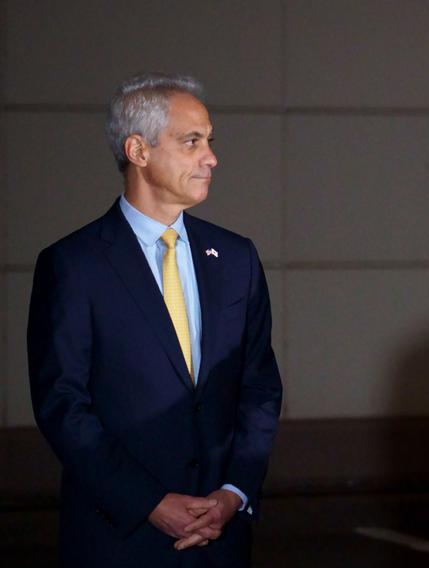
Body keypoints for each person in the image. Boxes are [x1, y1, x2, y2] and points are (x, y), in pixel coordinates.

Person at [27, 73, 283, 567]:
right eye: (192, 141)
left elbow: (260, 387)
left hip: (221, 537)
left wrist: (234, 491)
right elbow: (62, 404)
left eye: (210, 141)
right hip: (118, 540)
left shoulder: (236, 258)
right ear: (138, 151)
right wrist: (148, 501)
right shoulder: (74, 264)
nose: (211, 157)